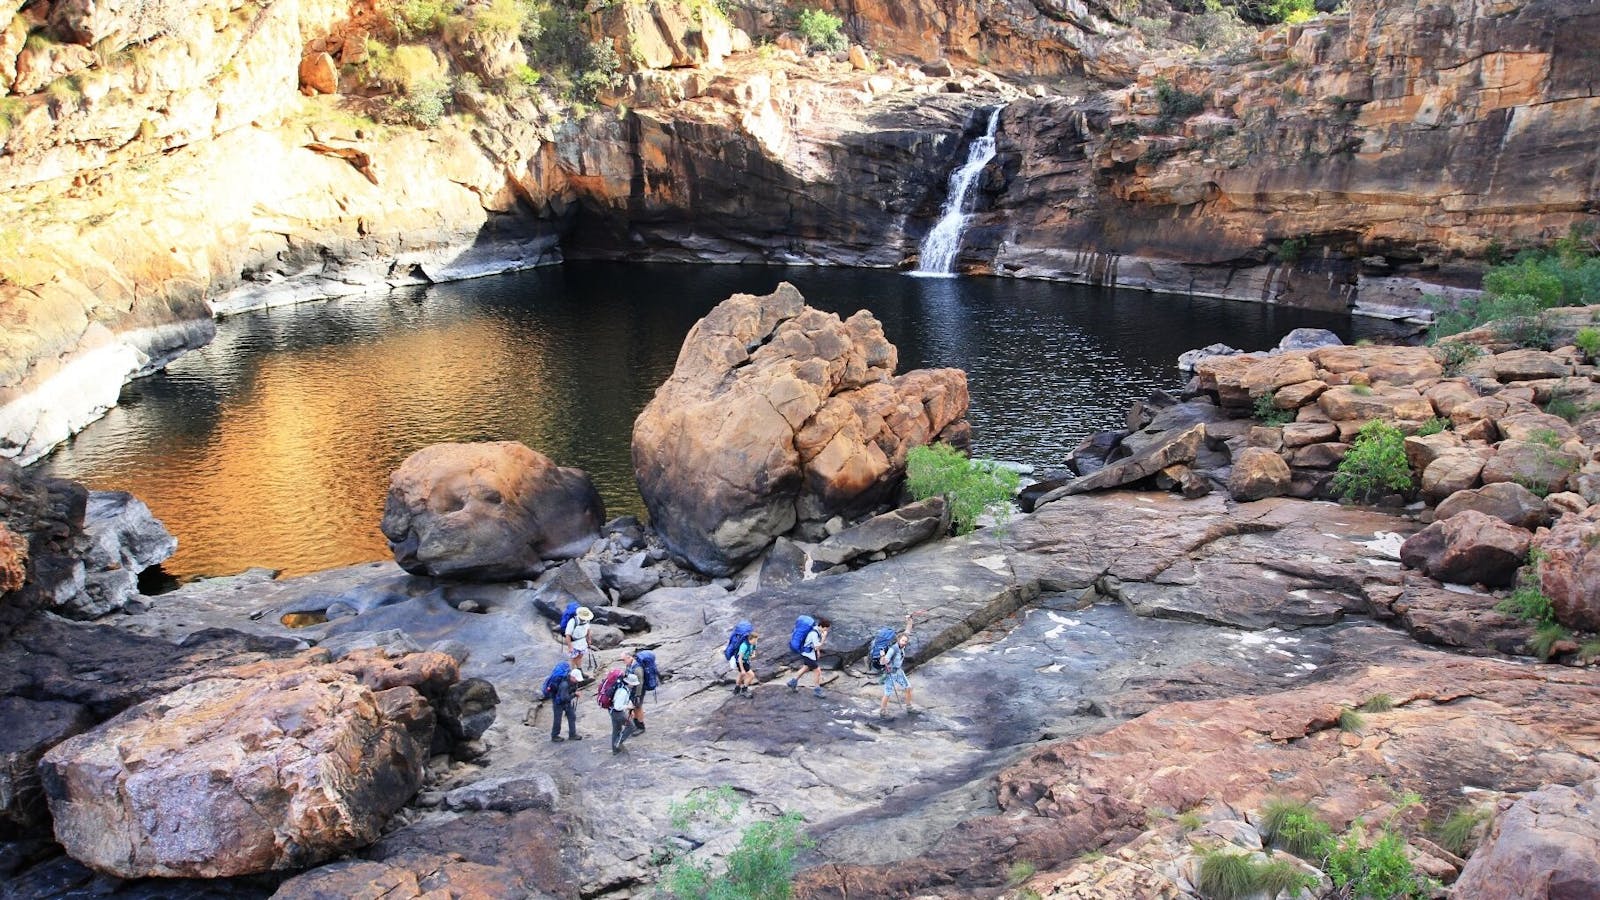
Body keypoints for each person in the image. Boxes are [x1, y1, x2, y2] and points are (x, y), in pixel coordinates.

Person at [878, 614, 916, 719]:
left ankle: (909, 707)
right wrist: (883, 657)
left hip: (898, 671)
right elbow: (883, 662)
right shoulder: (893, 649)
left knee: (908, 688)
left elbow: (908, 631)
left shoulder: (902, 644)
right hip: (890, 672)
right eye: (903, 640)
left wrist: (909, 620)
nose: (904, 642)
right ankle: (883, 711)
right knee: (888, 693)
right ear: (898, 640)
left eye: (905, 641)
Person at [786, 617, 830, 697]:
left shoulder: (817, 631)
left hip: (808, 654)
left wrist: (818, 652)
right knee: (818, 671)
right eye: (826, 629)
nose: (826, 631)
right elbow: (817, 646)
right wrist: (823, 638)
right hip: (808, 655)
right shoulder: (814, 633)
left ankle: (792, 682)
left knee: (805, 668)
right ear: (821, 626)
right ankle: (817, 690)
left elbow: (814, 645)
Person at [549, 666, 583, 743]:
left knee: (572, 716)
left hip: (566, 703)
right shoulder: (564, 684)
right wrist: (575, 694)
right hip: (558, 703)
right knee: (557, 720)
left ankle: (572, 734)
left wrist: (574, 693)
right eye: (577, 679)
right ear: (572, 677)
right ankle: (554, 736)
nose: (578, 681)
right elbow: (565, 698)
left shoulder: (572, 682)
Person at [611, 671, 641, 753]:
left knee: (616, 729)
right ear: (630, 683)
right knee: (631, 726)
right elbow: (618, 706)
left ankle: (615, 749)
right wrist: (628, 707)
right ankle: (617, 743)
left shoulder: (624, 688)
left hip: (612, 711)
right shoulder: (623, 692)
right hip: (617, 712)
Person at [564, 606, 595, 672]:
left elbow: (588, 630)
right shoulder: (572, 622)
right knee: (573, 658)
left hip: (582, 642)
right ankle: (573, 672)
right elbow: (568, 635)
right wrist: (570, 646)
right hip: (574, 643)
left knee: (580, 656)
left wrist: (589, 639)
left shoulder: (587, 621)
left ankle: (579, 670)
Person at [732, 630, 759, 697]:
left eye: (756, 640)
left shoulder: (753, 643)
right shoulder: (744, 646)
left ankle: (737, 689)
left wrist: (753, 654)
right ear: (750, 639)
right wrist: (743, 669)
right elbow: (739, 658)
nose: (756, 642)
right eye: (755, 640)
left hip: (746, 660)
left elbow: (754, 648)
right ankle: (744, 690)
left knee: (741, 675)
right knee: (751, 675)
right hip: (741, 662)